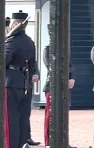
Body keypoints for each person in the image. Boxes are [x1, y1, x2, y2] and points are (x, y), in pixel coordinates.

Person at [4, 10, 37, 148]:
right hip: (24, 82)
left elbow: (4, 61)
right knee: (22, 118)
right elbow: (32, 64)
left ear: (16, 23)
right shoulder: (29, 42)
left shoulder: (11, 41)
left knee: (10, 119)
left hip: (10, 82)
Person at [43, 42, 76, 148]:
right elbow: (51, 67)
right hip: (52, 86)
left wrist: (72, 78)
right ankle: (49, 142)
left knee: (63, 114)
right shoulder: (48, 49)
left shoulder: (65, 50)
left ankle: (63, 140)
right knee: (51, 115)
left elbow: (71, 65)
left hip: (64, 87)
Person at [25, 62, 41, 146]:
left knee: (26, 112)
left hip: (27, 84)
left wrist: (36, 74)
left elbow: (33, 63)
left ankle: (27, 137)